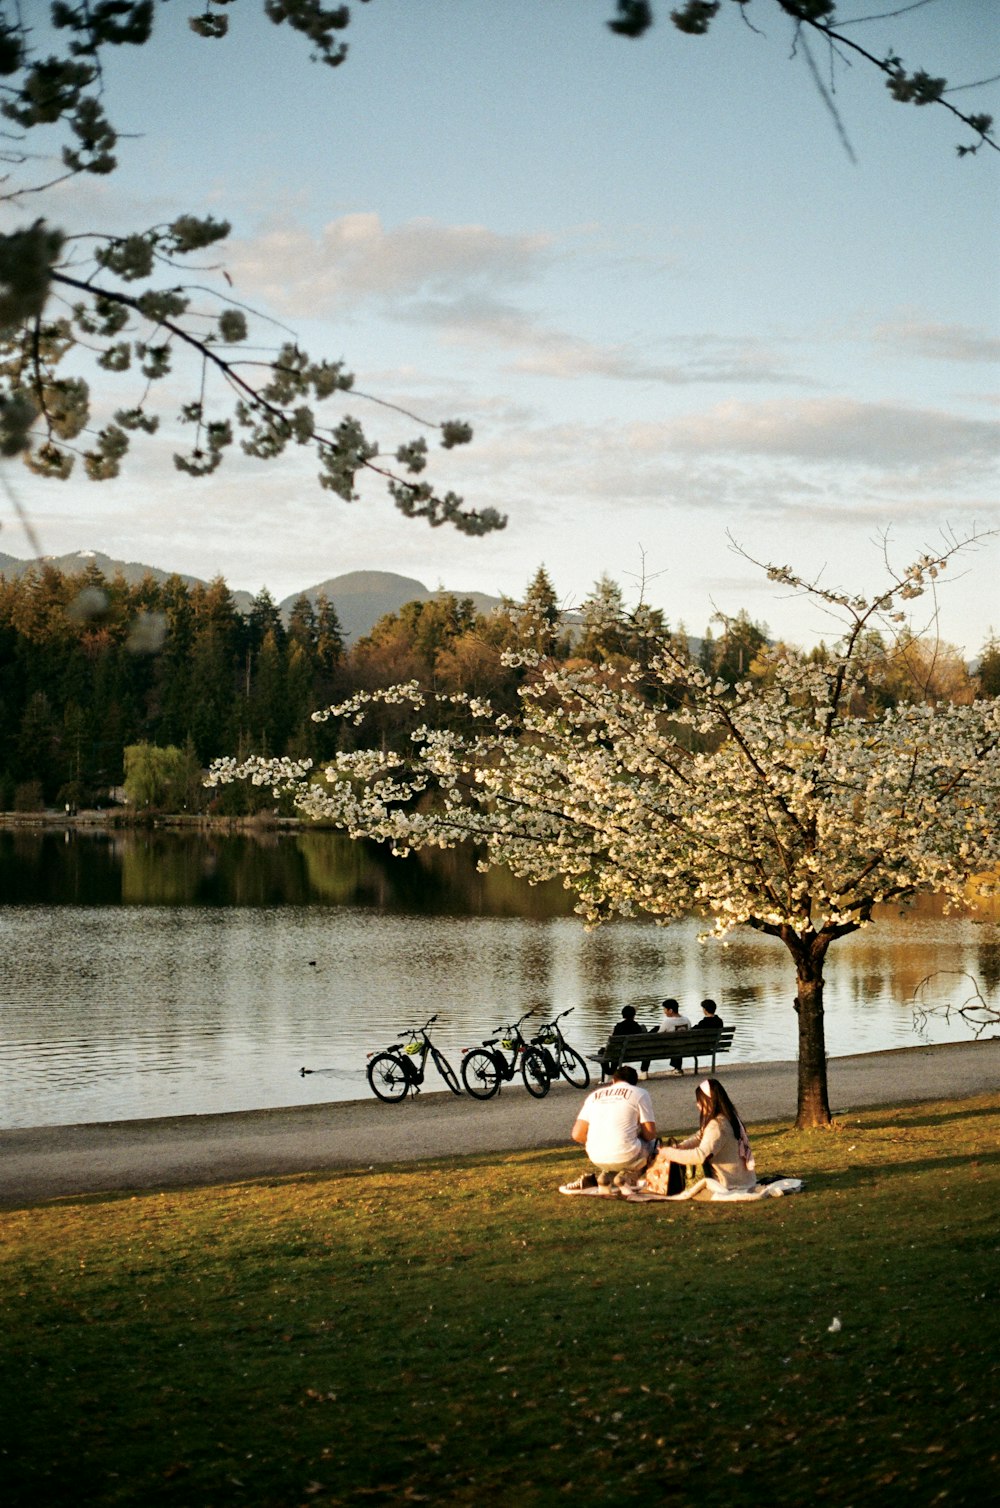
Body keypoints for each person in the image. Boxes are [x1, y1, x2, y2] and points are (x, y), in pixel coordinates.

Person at [645, 1077, 755, 1199]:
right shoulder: (728, 1117)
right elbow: (700, 1136)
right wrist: (680, 1146)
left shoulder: (717, 1126)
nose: (697, 1105)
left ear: (708, 1100)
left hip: (729, 1183)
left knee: (694, 1193)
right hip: (743, 1179)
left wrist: (670, 1153)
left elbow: (700, 1155)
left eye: (699, 1101)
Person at [564, 1065, 658, 1193]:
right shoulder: (640, 1093)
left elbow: (577, 1134)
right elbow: (650, 1134)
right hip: (627, 1154)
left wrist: (599, 1140)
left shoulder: (594, 1096)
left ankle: (605, 1177)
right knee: (655, 1145)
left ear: (613, 1081)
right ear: (634, 1083)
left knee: (618, 1147)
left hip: (596, 1156)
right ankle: (628, 1178)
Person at [651, 997, 691, 1076]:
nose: (664, 1012)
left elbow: (659, 1034)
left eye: (665, 1009)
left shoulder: (667, 1021)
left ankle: (677, 1069)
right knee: (678, 1043)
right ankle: (677, 1069)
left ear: (670, 1010)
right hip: (685, 1047)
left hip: (669, 1049)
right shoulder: (687, 1020)